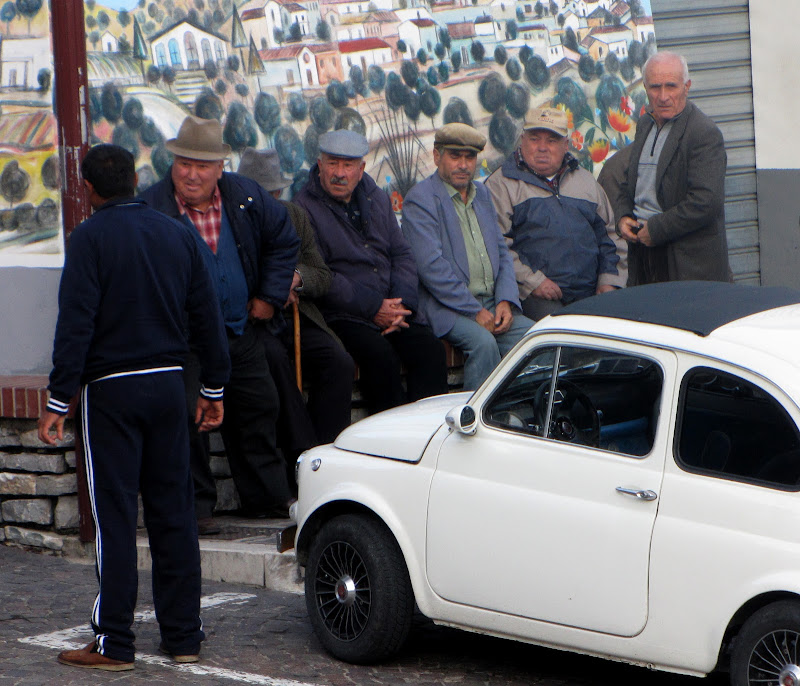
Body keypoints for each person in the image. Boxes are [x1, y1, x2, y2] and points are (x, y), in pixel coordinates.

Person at [38, 144, 230, 670]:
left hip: (112, 391)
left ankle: (114, 643)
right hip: (171, 387)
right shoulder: (177, 233)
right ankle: (184, 636)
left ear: (89, 189)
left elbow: (75, 322)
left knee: (116, 518)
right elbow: (207, 317)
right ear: (136, 179)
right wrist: (213, 389)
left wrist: (59, 398)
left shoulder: (88, 238)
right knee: (174, 514)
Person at [139, 116, 299, 529]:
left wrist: (268, 295)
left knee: (259, 406)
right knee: (189, 415)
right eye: (184, 164)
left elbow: (284, 240)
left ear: (220, 168)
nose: (192, 174)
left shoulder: (244, 197)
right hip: (183, 338)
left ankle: (266, 497)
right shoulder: (151, 208)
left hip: (238, 327)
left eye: (202, 166)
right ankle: (197, 508)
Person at [293, 129, 449, 413]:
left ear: (361, 168)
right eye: (332, 163)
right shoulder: (304, 208)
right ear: (319, 164)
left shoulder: (376, 197)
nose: (340, 173)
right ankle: (388, 447)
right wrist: (374, 307)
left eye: (348, 164)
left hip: (392, 305)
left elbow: (401, 253)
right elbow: (324, 275)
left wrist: (400, 303)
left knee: (430, 350)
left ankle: (428, 436)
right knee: (381, 358)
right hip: (344, 313)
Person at [237, 147, 354, 460]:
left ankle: (330, 454)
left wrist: (294, 279)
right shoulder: (230, 220)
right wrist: (271, 288)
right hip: (253, 321)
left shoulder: (293, 215)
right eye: (260, 194)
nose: (267, 201)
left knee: (338, 362)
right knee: (275, 362)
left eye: (272, 193)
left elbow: (321, 274)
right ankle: (302, 454)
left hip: (295, 315)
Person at [401, 123, 534, 390]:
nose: (463, 165)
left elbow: (501, 252)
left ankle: (524, 417)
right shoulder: (421, 200)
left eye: (470, 157)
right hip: (448, 308)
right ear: (437, 156)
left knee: (538, 338)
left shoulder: (482, 193)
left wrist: (507, 300)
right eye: (455, 156)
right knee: (483, 344)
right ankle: (472, 425)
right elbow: (431, 270)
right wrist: (475, 312)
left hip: (493, 303)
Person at [485, 106, 626, 320]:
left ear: (565, 145)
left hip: (592, 292)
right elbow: (496, 246)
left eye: (551, 140)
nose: (542, 148)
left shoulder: (585, 181)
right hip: (536, 295)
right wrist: (533, 282)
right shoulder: (501, 184)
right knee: (562, 337)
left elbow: (611, 236)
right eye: (534, 139)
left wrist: (609, 280)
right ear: (522, 140)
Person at [613, 51, 731, 285]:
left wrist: (656, 230)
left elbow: (706, 202)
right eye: (655, 87)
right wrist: (623, 215)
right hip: (643, 251)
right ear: (645, 88)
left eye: (671, 86)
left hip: (687, 262)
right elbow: (632, 181)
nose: (663, 96)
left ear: (686, 87)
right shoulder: (645, 124)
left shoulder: (703, 133)